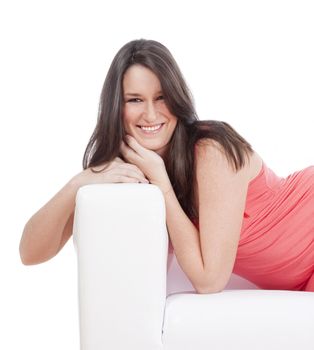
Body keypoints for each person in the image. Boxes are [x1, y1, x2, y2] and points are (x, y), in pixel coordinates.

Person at [19, 38, 314, 293]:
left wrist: (162, 182)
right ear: (115, 107)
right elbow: (29, 253)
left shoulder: (211, 150)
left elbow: (209, 281)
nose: (150, 114)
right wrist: (78, 183)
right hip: (300, 277)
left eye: (162, 98)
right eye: (135, 99)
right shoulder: (122, 170)